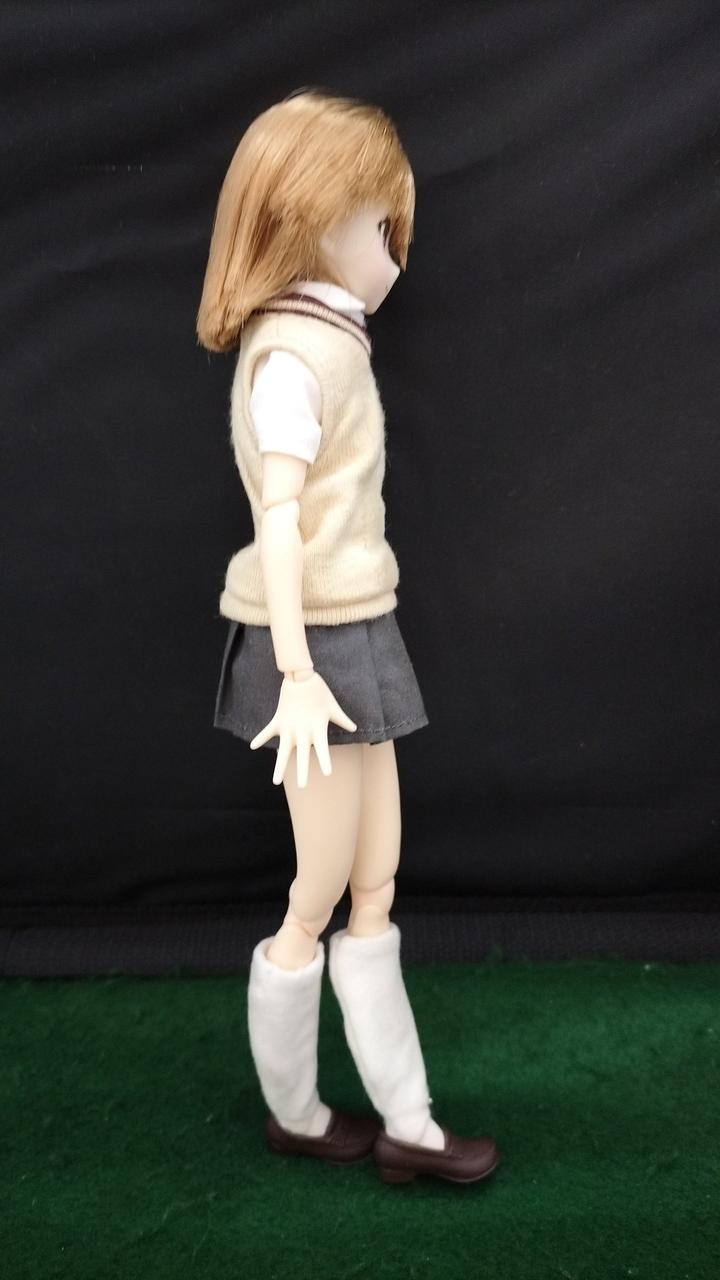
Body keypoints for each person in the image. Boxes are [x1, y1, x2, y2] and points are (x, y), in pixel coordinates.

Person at [196, 87, 500, 1185]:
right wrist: (291, 670)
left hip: (359, 627)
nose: (394, 258)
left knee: (376, 881)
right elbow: (275, 518)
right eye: (380, 229)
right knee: (317, 889)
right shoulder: (291, 356)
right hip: (312, 651)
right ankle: (296, 1108)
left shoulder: (331, 340)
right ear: (315, 221)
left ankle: (409, 1123)